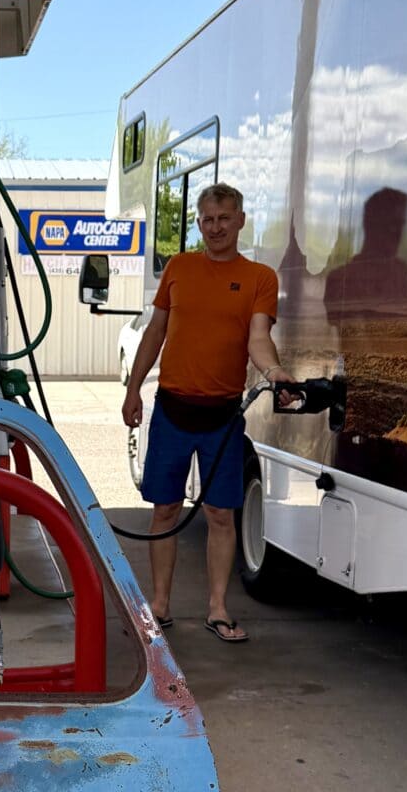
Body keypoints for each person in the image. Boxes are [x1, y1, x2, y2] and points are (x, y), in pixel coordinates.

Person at [121, 182, 295, 644]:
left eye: (224, 218)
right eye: (207, 219)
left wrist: (274, 370)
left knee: (221, 514)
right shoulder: (179, 268)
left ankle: (217, 608)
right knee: (165, 510)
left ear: (240, 221)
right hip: (172, 409)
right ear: (199, 223)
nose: (216, 227)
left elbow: (259, 337)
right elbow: (155, 332)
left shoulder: (260, 278)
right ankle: (159, 606)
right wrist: (133, 388)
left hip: (221, 415)